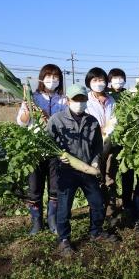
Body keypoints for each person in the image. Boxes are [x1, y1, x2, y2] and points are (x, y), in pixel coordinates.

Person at [47, 84, 117, 256]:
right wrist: (58, 157)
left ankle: (96, 232)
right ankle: (64, 239)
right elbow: (48, 145)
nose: (79, 103)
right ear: (68, 101)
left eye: (82, 99)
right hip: (66, 170)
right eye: (76, 99)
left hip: (87, 170)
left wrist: (94, 162)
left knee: (97, 202)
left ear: (87, 100)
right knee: (64, 207)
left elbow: (97, 147)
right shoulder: (56, 120)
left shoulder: (92, 121)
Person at [17, 64, 66, 234]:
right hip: (35, 150)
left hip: (54, 149)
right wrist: (29, 109)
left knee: (54, 187)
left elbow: (65, 122)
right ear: (41, 78)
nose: (52, 80)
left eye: (56, 77)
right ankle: (36, 222)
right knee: (34, 188)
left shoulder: (63, 99)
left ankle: (52, 220)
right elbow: (22, 123)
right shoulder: (32, 97)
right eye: (48, 76)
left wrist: (50, 118)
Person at [84, 68, 118, 218]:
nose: (99, 83)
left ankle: (110, 211)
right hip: (93, 146)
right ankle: (97, 213)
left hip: (110, 144)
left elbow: (116, 119)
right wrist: (99, 129)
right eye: (95, 80)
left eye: (101, 80)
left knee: (110, 178)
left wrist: (109, 129)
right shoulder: (86, 100)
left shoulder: (111, 100)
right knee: (97, 179)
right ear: (89, 83)